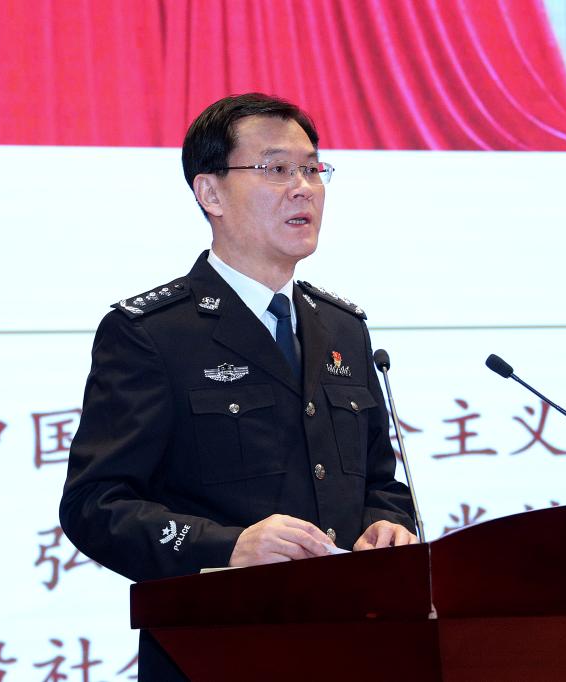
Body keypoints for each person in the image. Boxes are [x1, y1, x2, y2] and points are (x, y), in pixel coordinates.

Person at [59, 93, 417, 680]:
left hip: (353, 645)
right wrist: (228, 548)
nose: (303, 188)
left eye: (312, 169)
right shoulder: (153, 333)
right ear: (211, 193)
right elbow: (95, 505)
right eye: (276, 169)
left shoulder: (342, 328)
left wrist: (388, 524)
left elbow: (379, 480)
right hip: (216, 652)